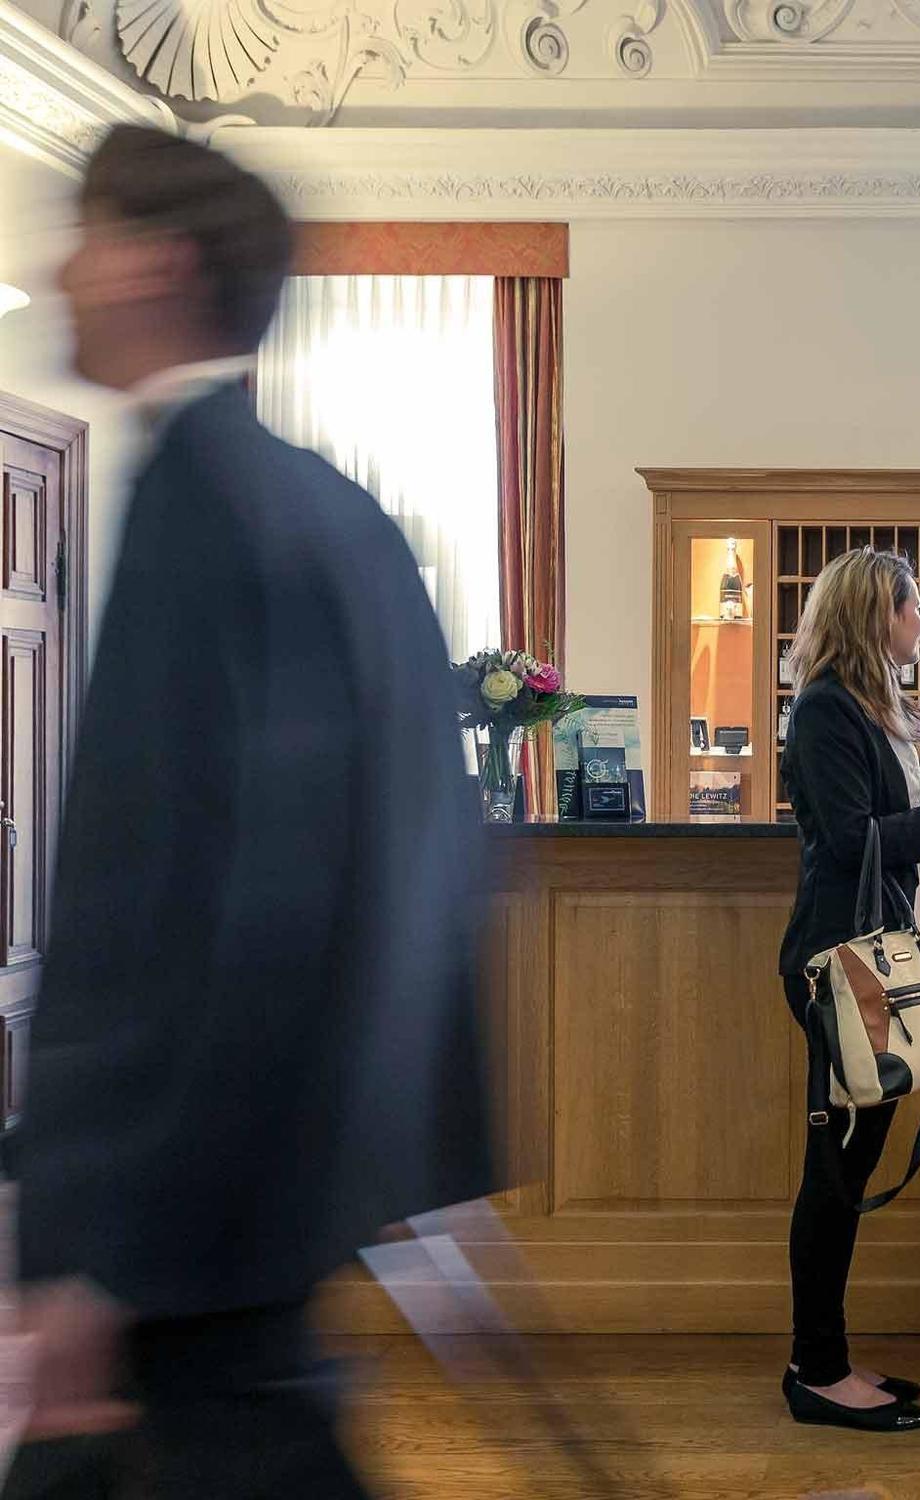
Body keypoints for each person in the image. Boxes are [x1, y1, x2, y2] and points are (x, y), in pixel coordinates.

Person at [2, 126, 495, 1496]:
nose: (57, 271)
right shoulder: (340, 513)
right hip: (298, 1189)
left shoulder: (196, 505)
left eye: (84, 236)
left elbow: (199, 908)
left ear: (157, 264)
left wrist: (97, 1253)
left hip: (185, 1229)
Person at [775, 548, 920, 1433]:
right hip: (839, 968)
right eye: (913, 609)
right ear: (875, 616)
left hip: (872, 963)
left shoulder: (862, 707)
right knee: (835, 1172)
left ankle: (827, 1358)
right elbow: (855, 837)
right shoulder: (825, 709)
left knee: (846, 1167)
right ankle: (817, 1371)